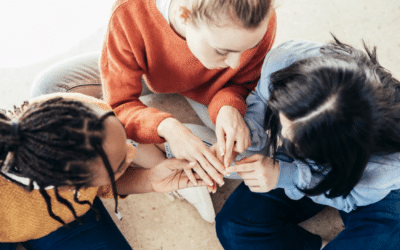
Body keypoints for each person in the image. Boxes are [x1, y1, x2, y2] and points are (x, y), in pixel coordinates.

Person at [30, 0, 277, 222]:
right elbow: (120, 103)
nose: (236, 62)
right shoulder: (130, 13)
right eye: (222, 51)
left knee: (254, 154)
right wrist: (168, 128)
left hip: (214, 88)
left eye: (247, 48)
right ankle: (175, 174)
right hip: (152, 68)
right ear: (184, 15)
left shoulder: (256, 15)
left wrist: (229, 107)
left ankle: (183, 163)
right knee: (49, 91)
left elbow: (243, 81)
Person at [213, 37, 400, 249]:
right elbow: (264, 100)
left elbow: (349, 198)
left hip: (371, 188)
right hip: (321, 161)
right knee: (235, 226)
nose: (282, 135)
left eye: (295, 142)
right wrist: (247, 132)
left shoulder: (390, 166)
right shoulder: (284, 62)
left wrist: (286, 175)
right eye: (283, 121)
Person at [0, 92, 208, 250]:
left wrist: (150, 179)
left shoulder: (86, 109)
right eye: (119, 166)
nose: (132, 152)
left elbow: (100, 187)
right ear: (70, 186)